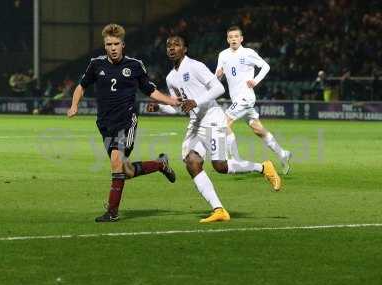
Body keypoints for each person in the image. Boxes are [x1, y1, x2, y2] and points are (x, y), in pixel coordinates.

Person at [148, 35, 281, 223]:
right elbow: (179, 106)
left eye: (176, 45)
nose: (171, 48)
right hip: (195, 124)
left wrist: (196, 101)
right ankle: (219, 210)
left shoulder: (195, 66)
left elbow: (219, 88)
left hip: (213, 120)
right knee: (192, 162)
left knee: (221, 166)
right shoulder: (171, 78)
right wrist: (160, 106)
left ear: (185, 49)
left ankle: (263, 167)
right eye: (168, 45)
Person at [67, 24, 180, 222]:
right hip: (104, 123)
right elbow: (81, 86)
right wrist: (74, 105)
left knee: (116, 162)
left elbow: (150, 90)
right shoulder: (96, 64)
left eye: (116, 44)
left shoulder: (135, 65)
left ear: (123, 44)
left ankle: (112, 212)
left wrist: (171, 101)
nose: (113, 47)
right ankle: (160, 164)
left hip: (126, 120)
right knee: (125, 170)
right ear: (105, 46)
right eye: (109, 44)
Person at [216, 26, 292, 175]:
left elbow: (265, 66)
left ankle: (236, 161)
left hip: (246, 96)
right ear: (227, 39)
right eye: (230, 37)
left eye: (236, 36)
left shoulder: (248, 53)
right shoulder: (223, 55)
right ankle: (282, 154)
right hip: (236, 99)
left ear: (241, 38)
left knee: (224, 123)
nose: (233, 39)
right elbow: (218, 75)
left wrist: (255, 80)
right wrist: (218, 74)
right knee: (258, 129)